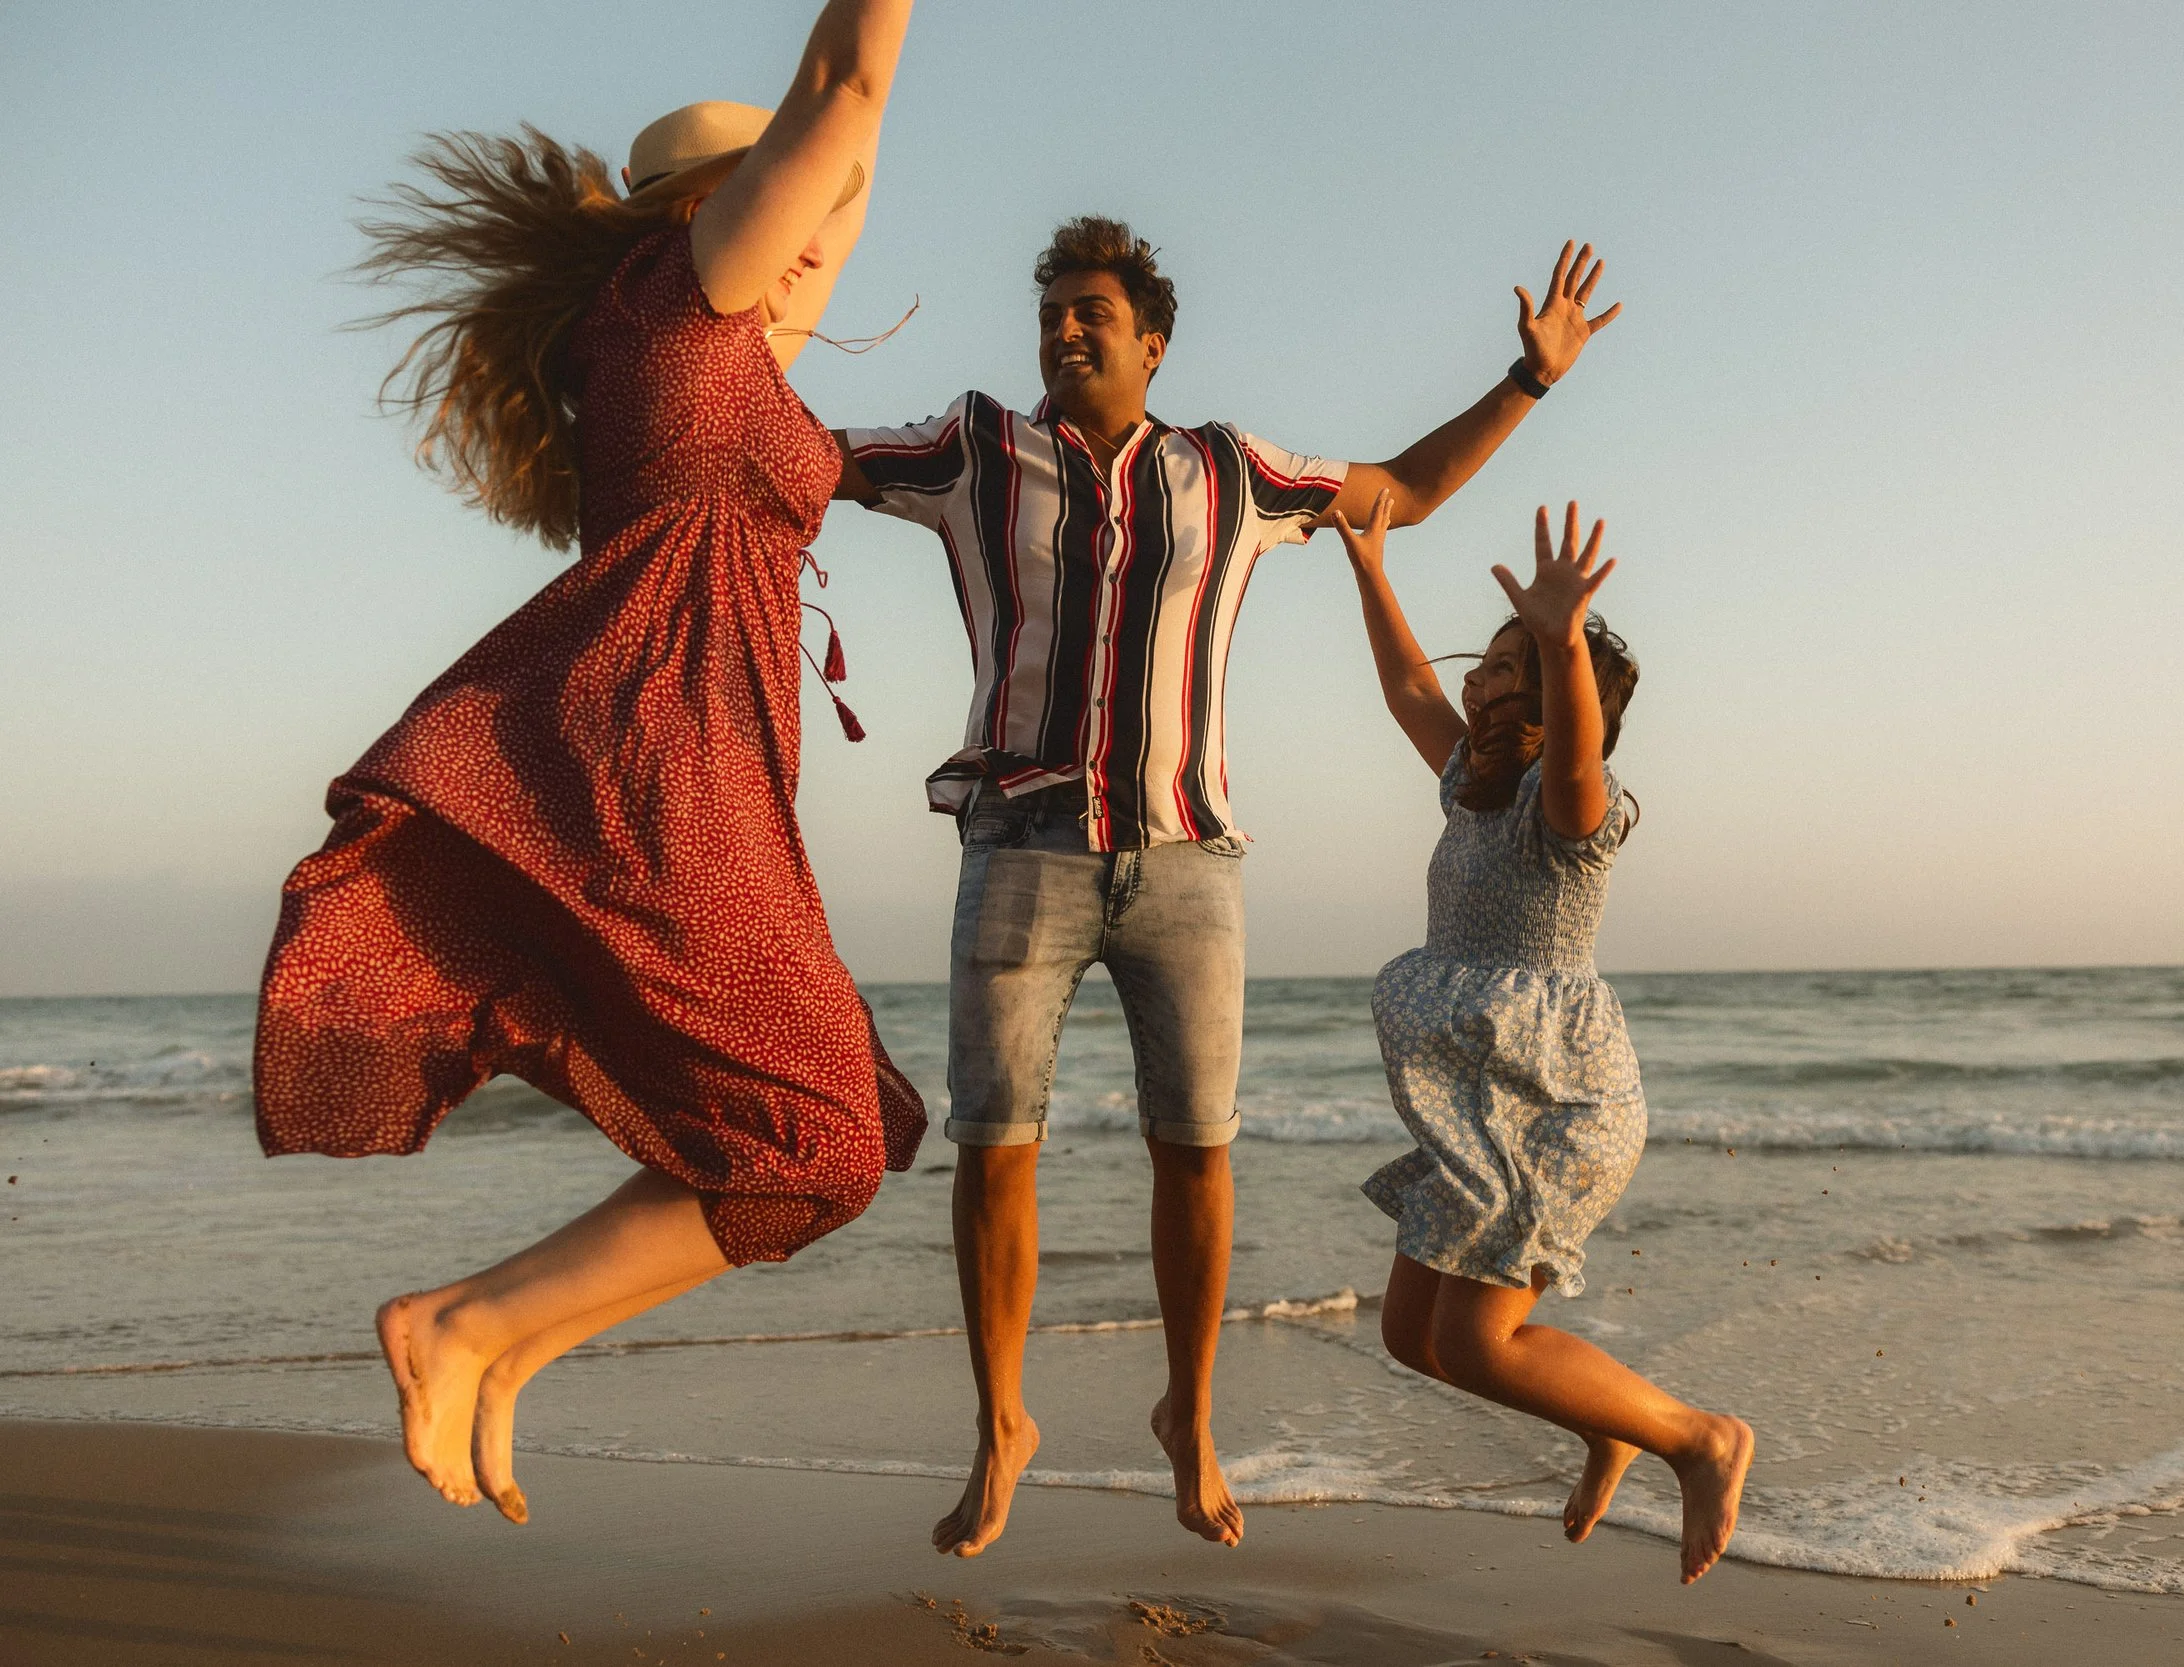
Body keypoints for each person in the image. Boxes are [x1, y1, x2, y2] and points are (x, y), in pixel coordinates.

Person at [832, 226, 1623, 1556]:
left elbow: (1404, 493)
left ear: (1153, 341)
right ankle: (1001, 1425)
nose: (1066, 332)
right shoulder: (975, 451)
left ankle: (1188, 1419)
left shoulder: (1232, 472)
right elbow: (810, 456)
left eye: (1094, 312)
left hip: (1189, 861)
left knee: (1197, 1149)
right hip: (1021, 843)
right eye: (1052, 315)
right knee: (994, 1146)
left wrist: (1526, 380)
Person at [252, 0, 924, 1526]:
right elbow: (849, 85)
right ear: (714, 211)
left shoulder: (721, 337)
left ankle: (497, 1336)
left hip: (720, 771)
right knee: (815, 1139)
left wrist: (850, 142)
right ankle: (466, 1325)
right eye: (792, 195)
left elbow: (859, 140)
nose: (826, 224)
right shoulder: (675, 307)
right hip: (659, 767)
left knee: (838, 1134)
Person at [1330, 493, 1755, 1583]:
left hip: (1558, 1109)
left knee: (1476, 1340)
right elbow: (1406, 685)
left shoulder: (1568, 809)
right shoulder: (1469, 787)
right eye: (1491, 658)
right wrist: (1367, 559)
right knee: (1411, 1334)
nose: (1479, 677)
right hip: (1482, 1104)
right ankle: (1603, 1421)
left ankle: (1699, 1437)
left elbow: (1574, 742)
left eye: (1504, 667)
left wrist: (1562, 638)